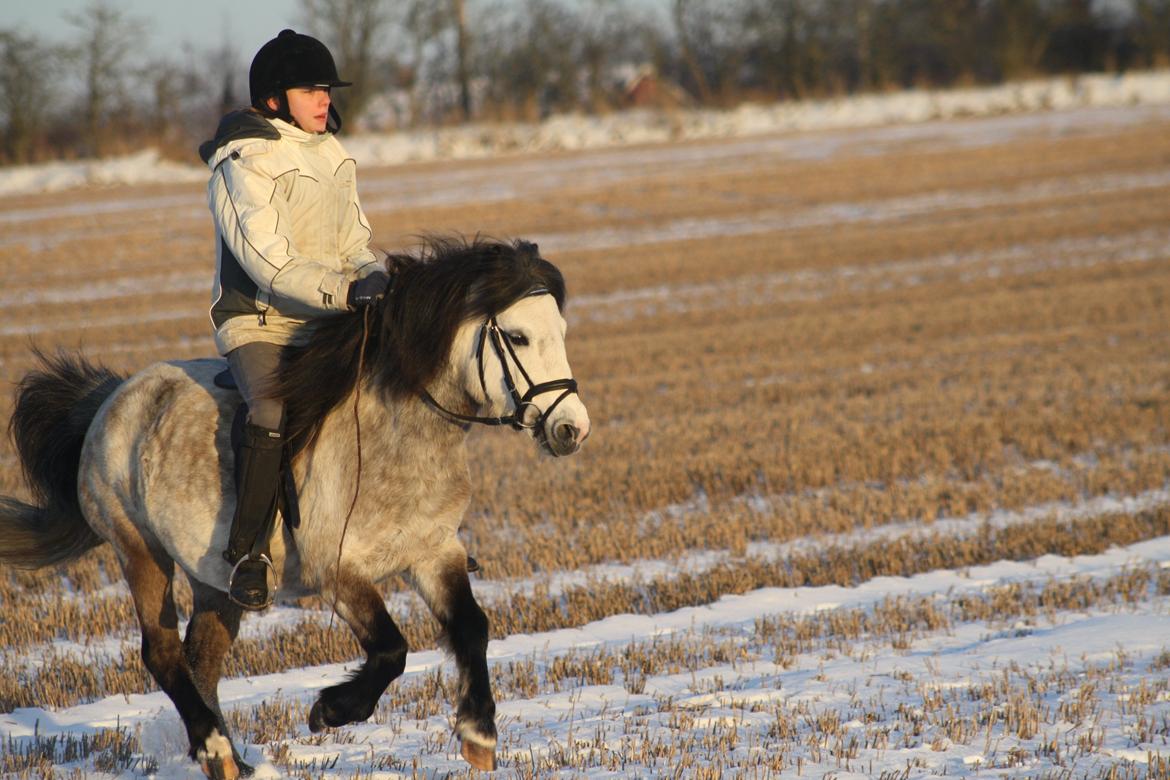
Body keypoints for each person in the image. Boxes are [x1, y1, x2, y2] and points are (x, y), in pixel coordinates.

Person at [199, 29, 390, 610]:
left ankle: (400, 532)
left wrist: (374, 276)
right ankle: (248, 555)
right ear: (274, 98)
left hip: (328, 313)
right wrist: (346, 291)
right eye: (312, 89)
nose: (324, 99)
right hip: (260, 323)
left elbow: (355, 240)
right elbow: (270, 266)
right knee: (271, 410)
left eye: (327, 88)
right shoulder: (241, 163)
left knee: (395, 388)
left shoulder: (330, 152)